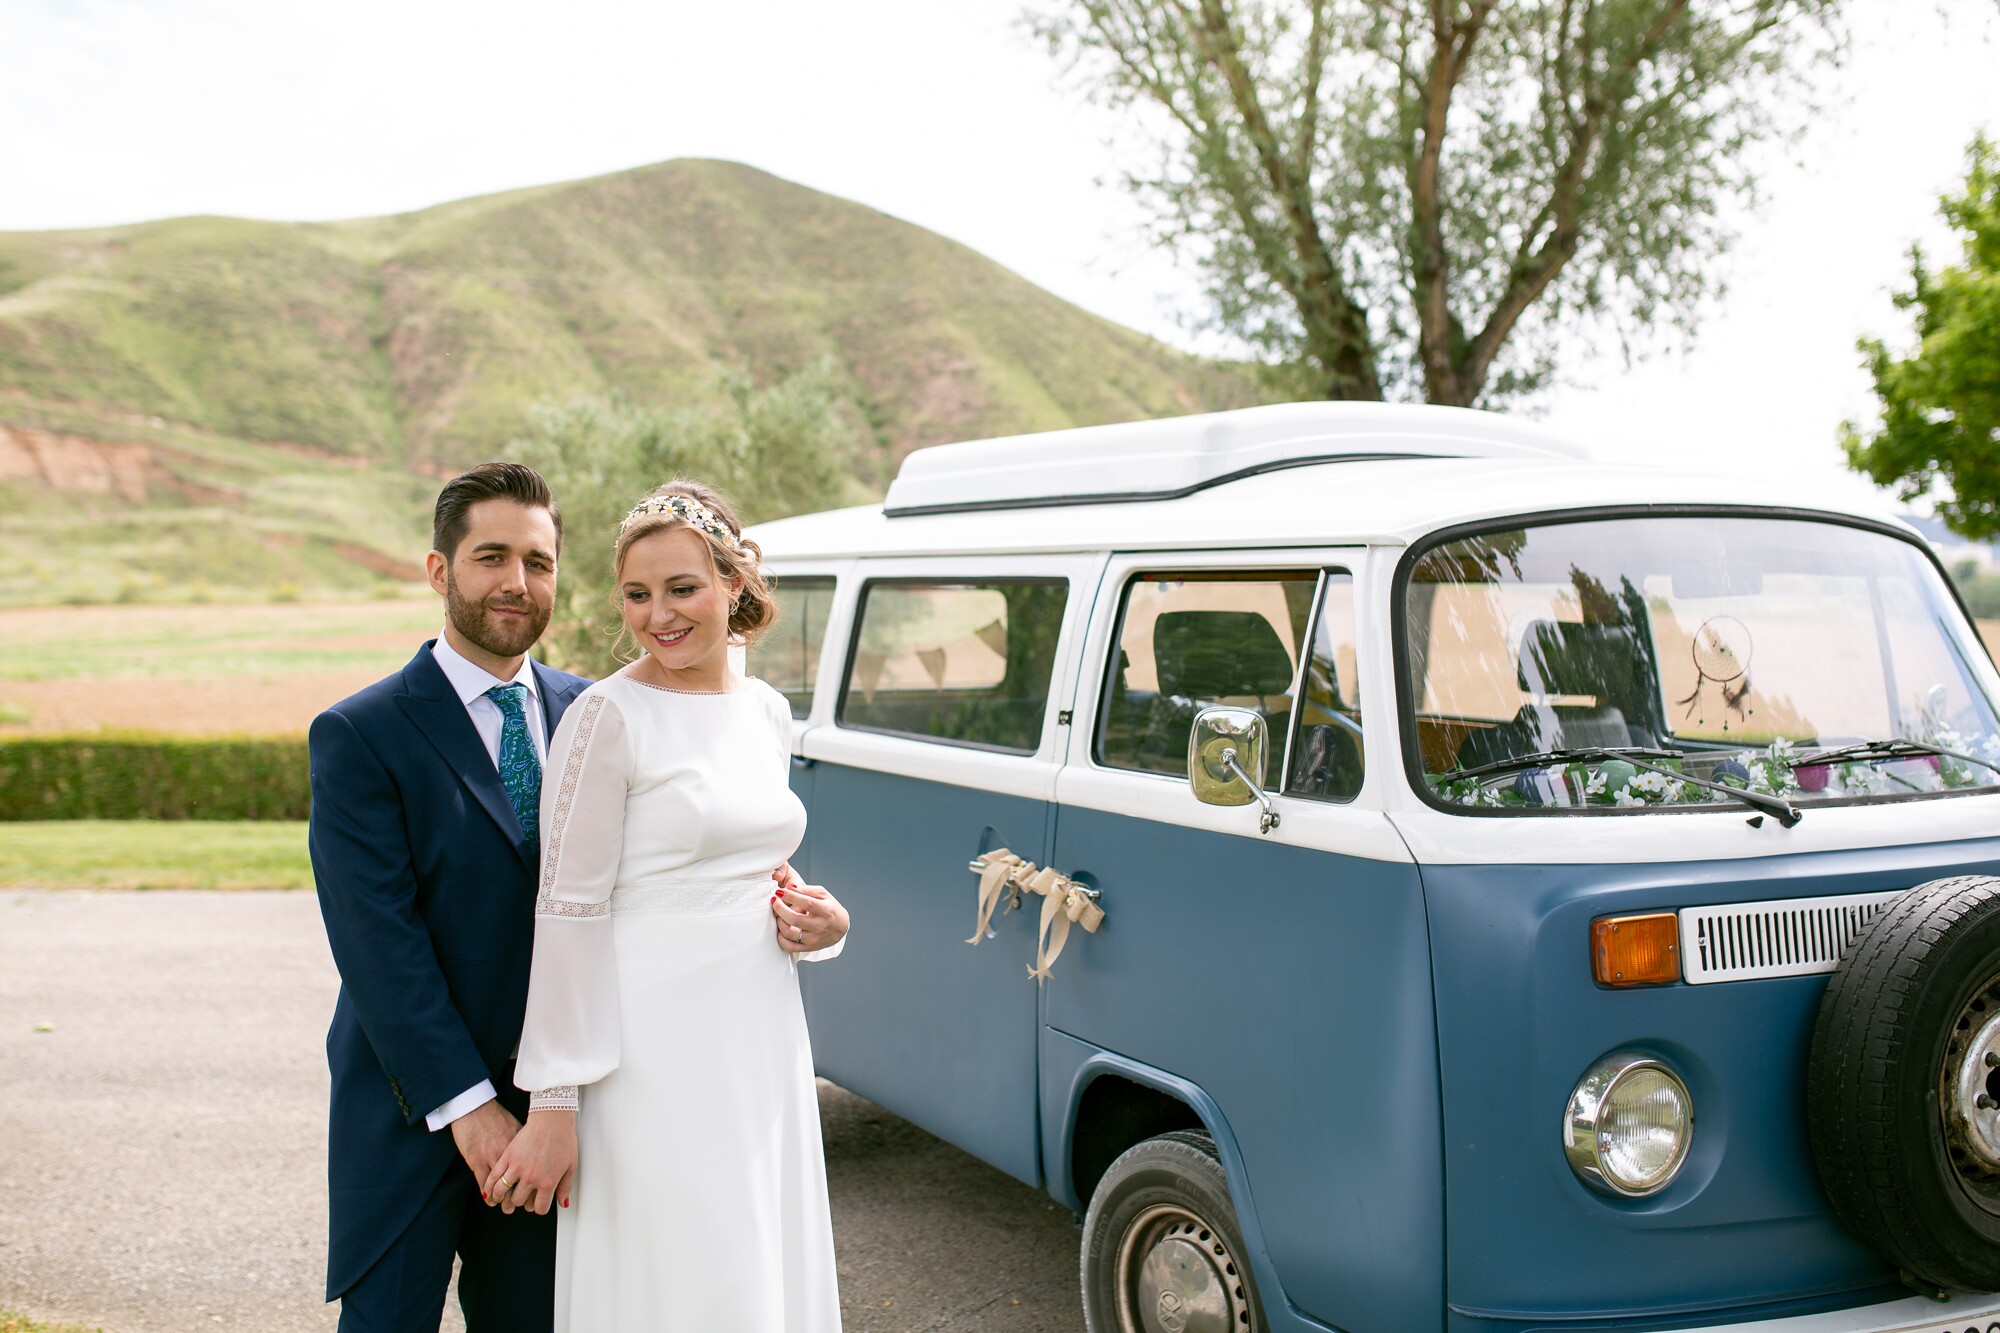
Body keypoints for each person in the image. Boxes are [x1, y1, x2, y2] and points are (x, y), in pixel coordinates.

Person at [482, 479, 851, 1332]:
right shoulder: (608, 717)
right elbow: (568, 913)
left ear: (733, 584)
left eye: (682, 588)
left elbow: (757, 860)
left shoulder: (765, 710)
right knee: (679, 1270)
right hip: (650, 1054)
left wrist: (824, 925)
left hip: (758, 1039)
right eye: (637, 595)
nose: (659, 615)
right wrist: (556, 1104)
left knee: (755, 1256)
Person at [308, 462, 590, 1332]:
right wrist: (470, 1110)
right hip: (411, 1113)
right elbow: (377, 942)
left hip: (556, 1122)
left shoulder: (594, 715)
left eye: (537, 562)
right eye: (492, 556)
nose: (516, 581)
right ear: (440, 572)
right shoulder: (362, 731)